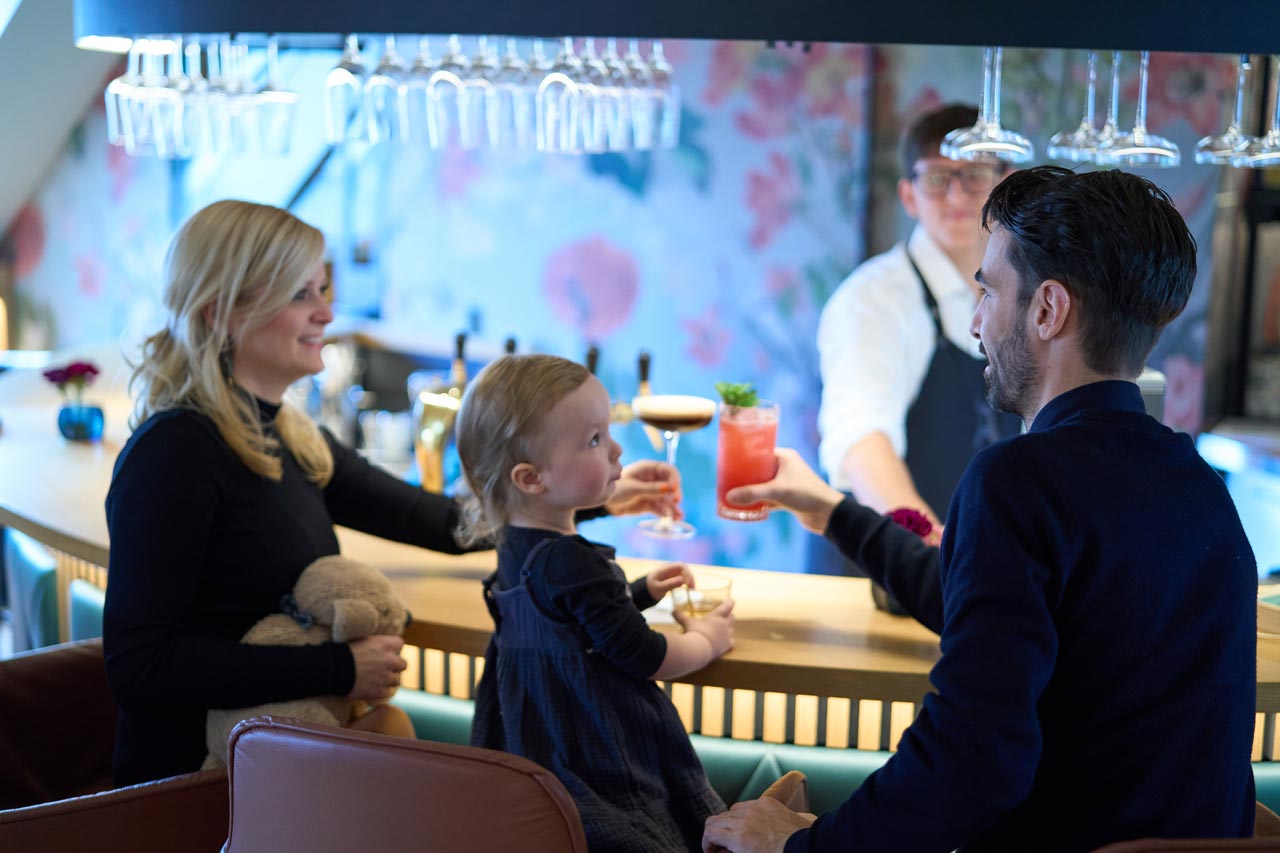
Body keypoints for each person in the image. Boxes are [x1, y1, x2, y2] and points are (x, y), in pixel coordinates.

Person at [703, 166, 1258, 852]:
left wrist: (798, 848)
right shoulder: (1194, 480)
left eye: (989, 289)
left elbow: (975, 760)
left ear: (1048, 309)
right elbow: (970, 593)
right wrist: (829, 510)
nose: (974, 322)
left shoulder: (1019, 478)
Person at [103, 200, 685, 786]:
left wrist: (596, 499)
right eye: (300, 295)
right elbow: (141, 667)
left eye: (323, 290)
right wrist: (336, 668)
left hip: (270, 769)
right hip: (189, 789)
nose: (327, 314)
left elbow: (437, 523)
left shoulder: (290, 436)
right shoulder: (174, 451)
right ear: (222, 313)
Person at [457, 353, 735, 853]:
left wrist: (639, 592)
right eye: (593, 440)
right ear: (530, 478)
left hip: (535, 738)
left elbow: (570, 620)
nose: (615, 449)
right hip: (592, 748)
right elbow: (645, 656)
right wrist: (705, 640)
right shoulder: (569, 559)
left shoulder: (517, 544)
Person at [816, 104, 1020, 541]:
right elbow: (861, 442)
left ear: (1006, 184)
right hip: (886, 565)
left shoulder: (1025, 294)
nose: (958, 196)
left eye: (976, 175)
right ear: (909, 196)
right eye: (936, 179)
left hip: (972, 570)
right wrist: (929, 545)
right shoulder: (872, 299)